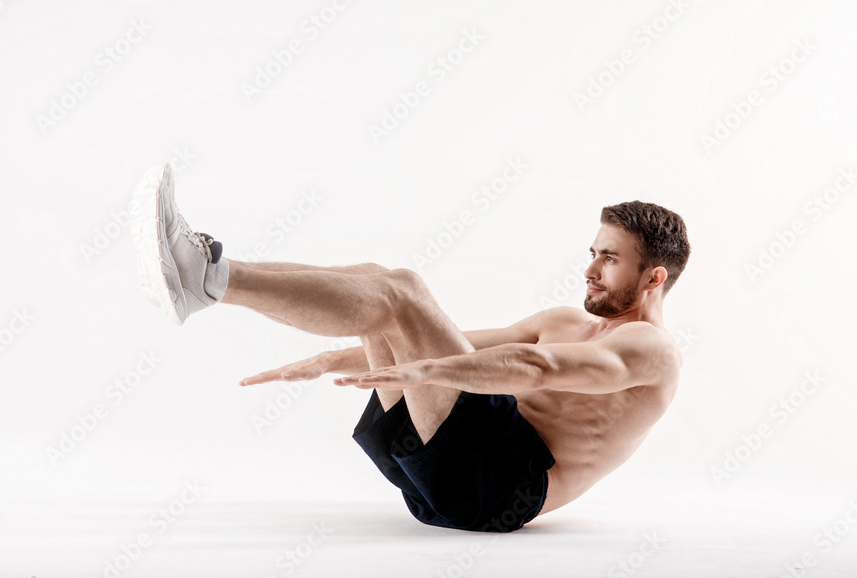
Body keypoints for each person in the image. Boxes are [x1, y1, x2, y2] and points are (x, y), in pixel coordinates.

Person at [128, 162, 690, 533]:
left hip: (501, 489)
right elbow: (464, 345)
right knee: (385, 285)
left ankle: (208, 276)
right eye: (593, 252)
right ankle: (209, 278)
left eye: (609, 259)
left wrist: (421, 370)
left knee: (402, 294)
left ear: (653, 278)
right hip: (441, 472)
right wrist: (335, 359)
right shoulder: (564, 318)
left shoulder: (652, 350)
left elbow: (535, 368)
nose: (589, 268)